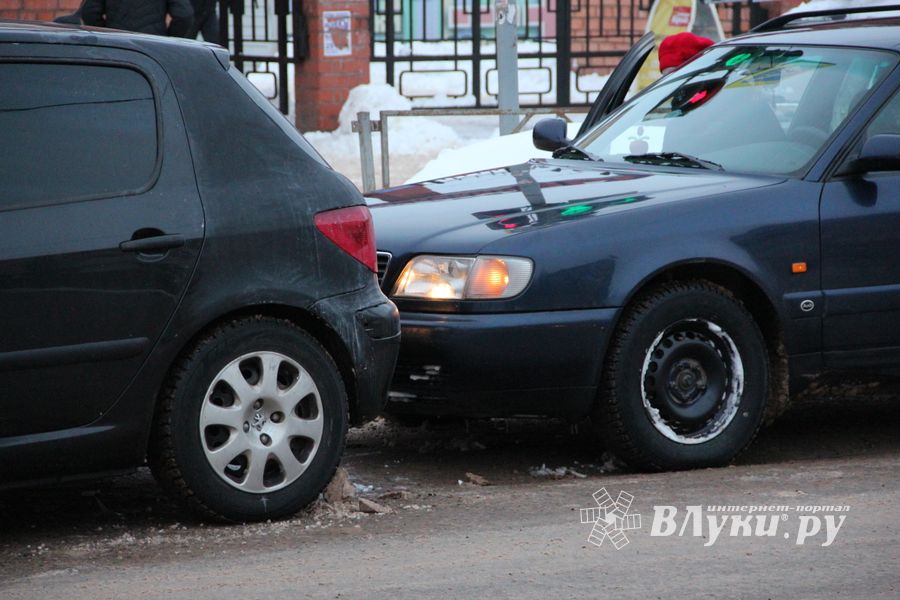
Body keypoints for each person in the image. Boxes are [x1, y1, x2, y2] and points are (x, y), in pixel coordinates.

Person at [81, 0, 194, 38]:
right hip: (153, 46)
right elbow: (184, 15)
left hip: (117, 44)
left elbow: (89, 12)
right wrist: (168, 40)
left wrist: (107, 35)